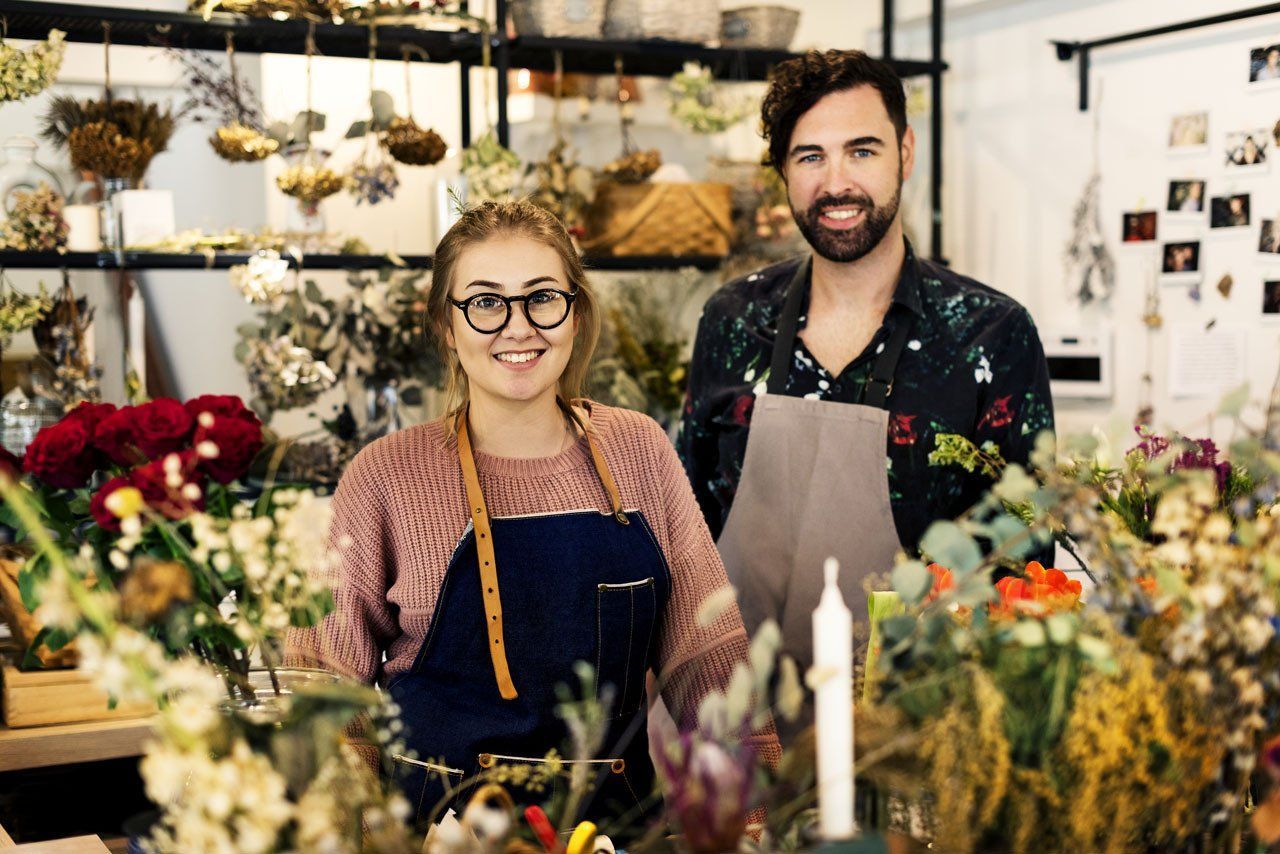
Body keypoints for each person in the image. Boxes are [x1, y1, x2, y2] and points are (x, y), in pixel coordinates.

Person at [291, 200, 779, 834]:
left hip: (609, 834)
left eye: (542, 298)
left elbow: (707, 661)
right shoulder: (386, 475)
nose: (518, 327)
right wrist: (348, 829)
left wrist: (754, 822)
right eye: (486, 302)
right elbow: (326, 685)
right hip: (438, 834)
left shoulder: (640, 449)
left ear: (575, 314)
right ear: (447, 324)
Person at [678, 50, 1055, 709]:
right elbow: (688, 527)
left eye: (862, 151)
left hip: (917, 732)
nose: (836, 183)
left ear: (905, 153)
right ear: (783, 174)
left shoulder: (990, 334)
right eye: (810, 157)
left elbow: (1026, 557)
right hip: (744, 727)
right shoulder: (733, 321)